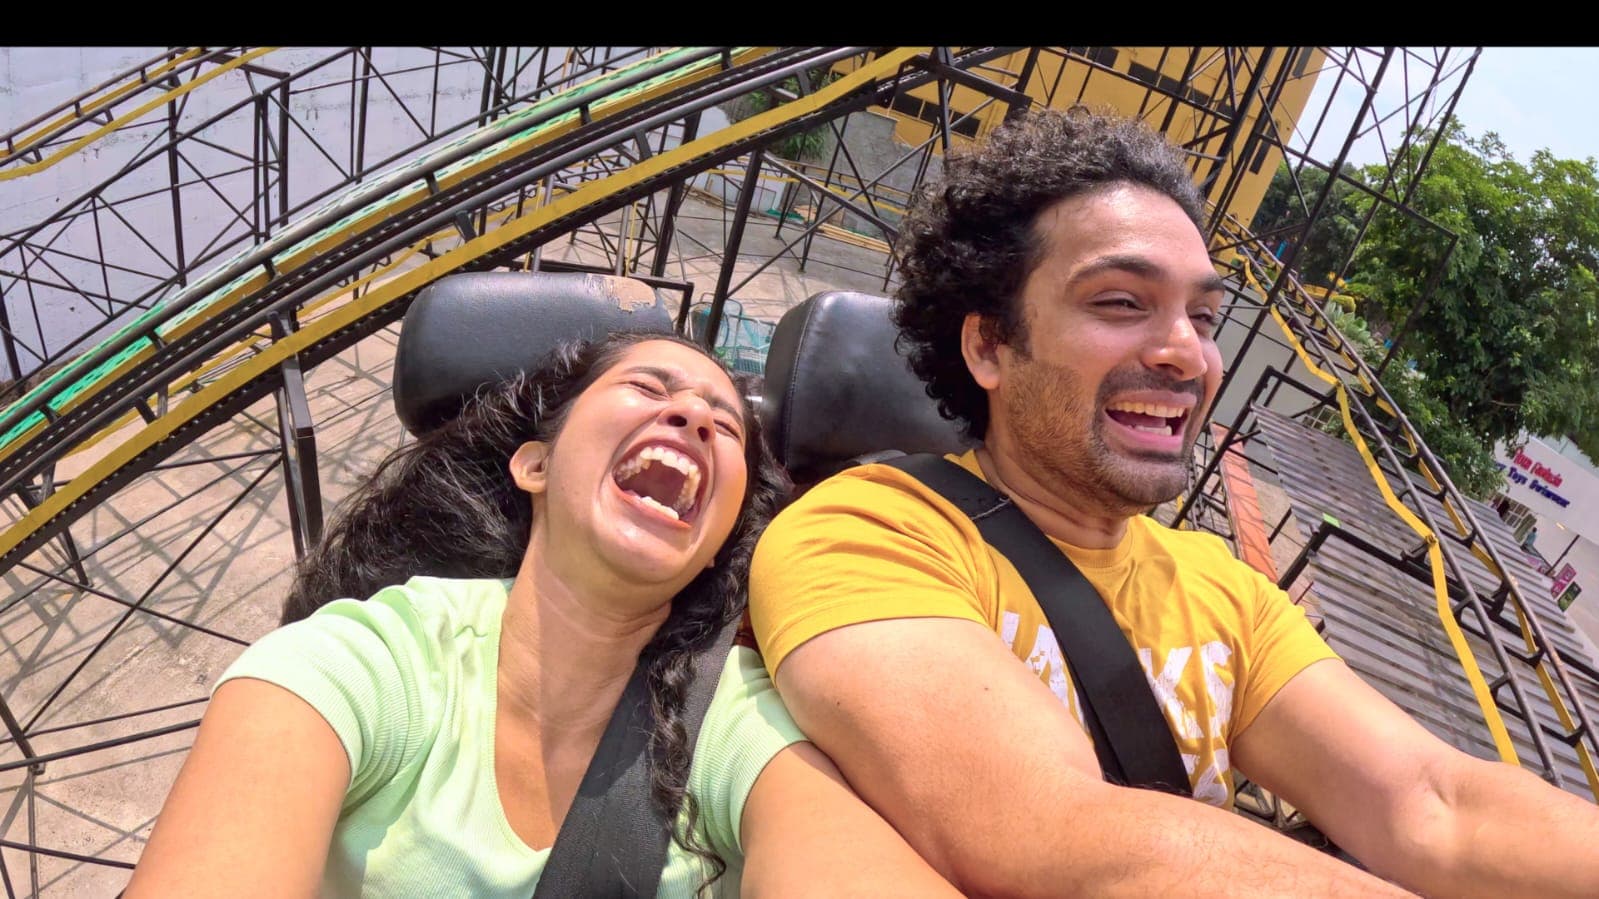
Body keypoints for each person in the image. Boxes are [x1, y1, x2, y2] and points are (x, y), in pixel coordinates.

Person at [748, 108, 1599, 898]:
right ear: (990, 344)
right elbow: (1051, 831)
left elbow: (1430, 800)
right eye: (1121, 302)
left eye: (1202, 315)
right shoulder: (863, 530)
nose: (1184, 354)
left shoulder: (1223, 592)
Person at [127, 331, 958, 897]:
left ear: (720, 539)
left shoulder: (737, 717)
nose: (697, 415)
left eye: (726, 425)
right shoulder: (370, 661)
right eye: (648, 387)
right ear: (533, 463)